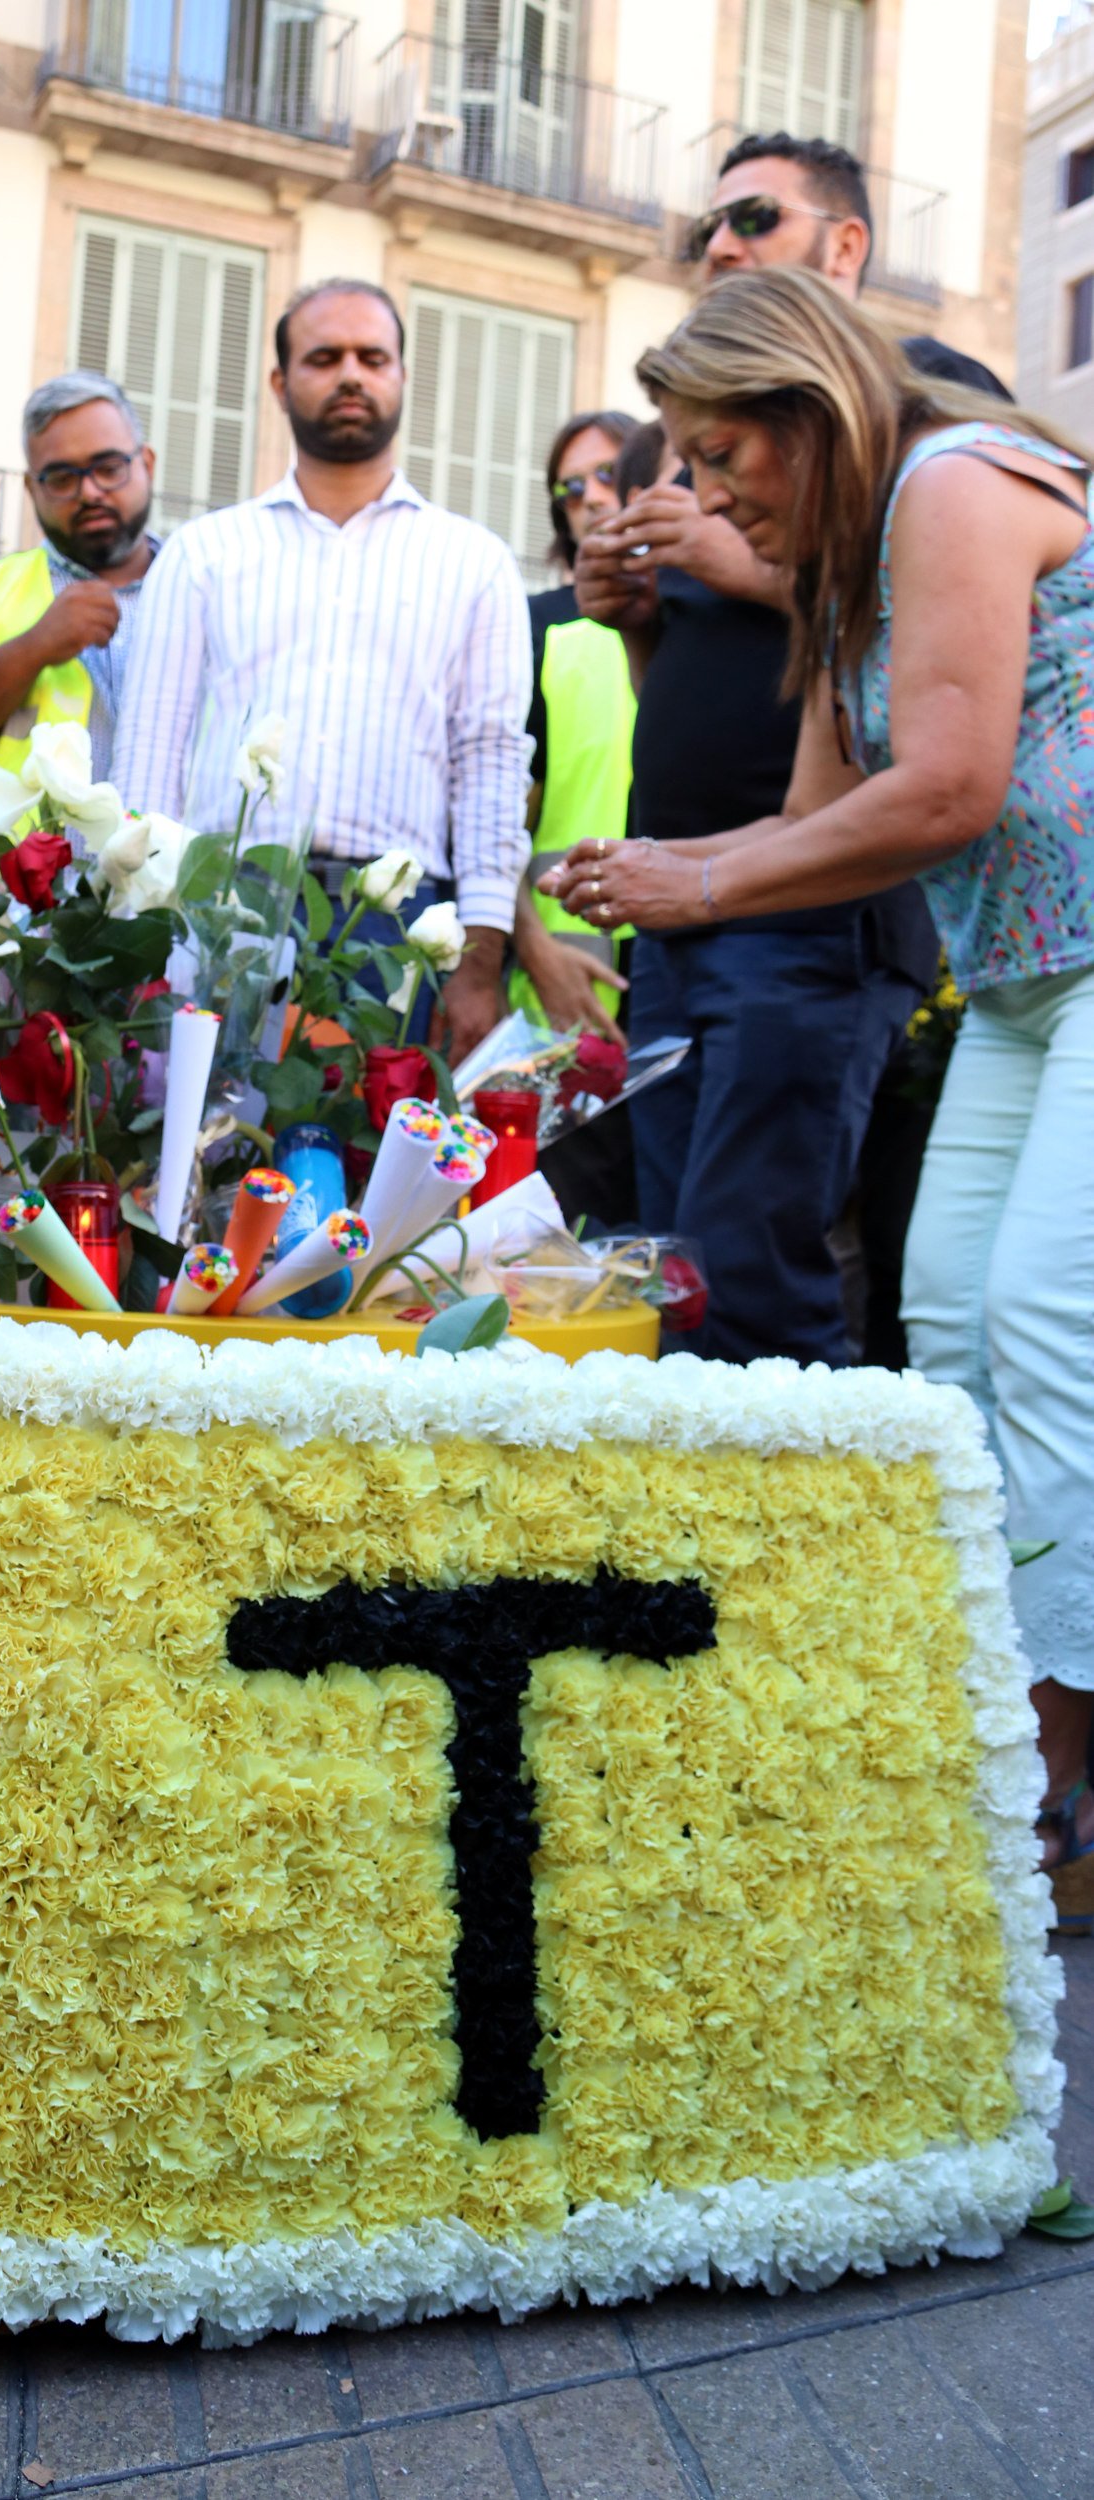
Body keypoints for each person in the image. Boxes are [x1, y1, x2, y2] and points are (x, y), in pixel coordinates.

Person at [543, 267, 1094, 1932]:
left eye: (724, 456)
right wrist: (646, 876)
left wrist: (698, 889)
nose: (705, 496)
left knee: (1045, 1317)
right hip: (1020, 977)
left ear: (805, 408)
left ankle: (1055, 1786)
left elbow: (944, 786)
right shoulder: (846, 575)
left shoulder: (952, 483)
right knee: (946, 1322)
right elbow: (804, 818)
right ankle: (988, 1724)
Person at [571, 131, 956, 1364]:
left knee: (752, 1276)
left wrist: (725, 556)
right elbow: (697, 679)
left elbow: (901, 631)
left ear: (842, 246)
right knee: (670, 1277)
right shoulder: (689, 429)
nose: (718, 246)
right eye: (708, 231)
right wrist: (637, 617)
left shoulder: (917, 405)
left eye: (753, 219)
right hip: (692, 894)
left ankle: (810, 1554)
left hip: (810, 906)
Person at [114, 278, 531, 1062]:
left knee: (381, 1171)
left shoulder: (473, 563)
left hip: (399, 930)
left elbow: (489, 763)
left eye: (372, 357)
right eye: (324, 357)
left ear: (402, 376)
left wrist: (479, 962)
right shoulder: (205, 553)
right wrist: (149, 941)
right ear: (279, 382)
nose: (350, 375)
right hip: (228, 911)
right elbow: (148, 758)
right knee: (216, 1164)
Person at [0, 374, 158, 779]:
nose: (90, 492)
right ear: (31, 489)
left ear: (146, 463)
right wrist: (35, 647)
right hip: (14, 846)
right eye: (62, 478)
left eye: (109, 468)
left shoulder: (208, 592)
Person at [513, 408, 638, 1045]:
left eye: (607, 472)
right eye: (570, 486)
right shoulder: (532, 627)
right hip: (560, 981)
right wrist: (535, 952)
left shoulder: (710, 624)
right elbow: (489, 814)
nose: (589, 495)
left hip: (694, 968)